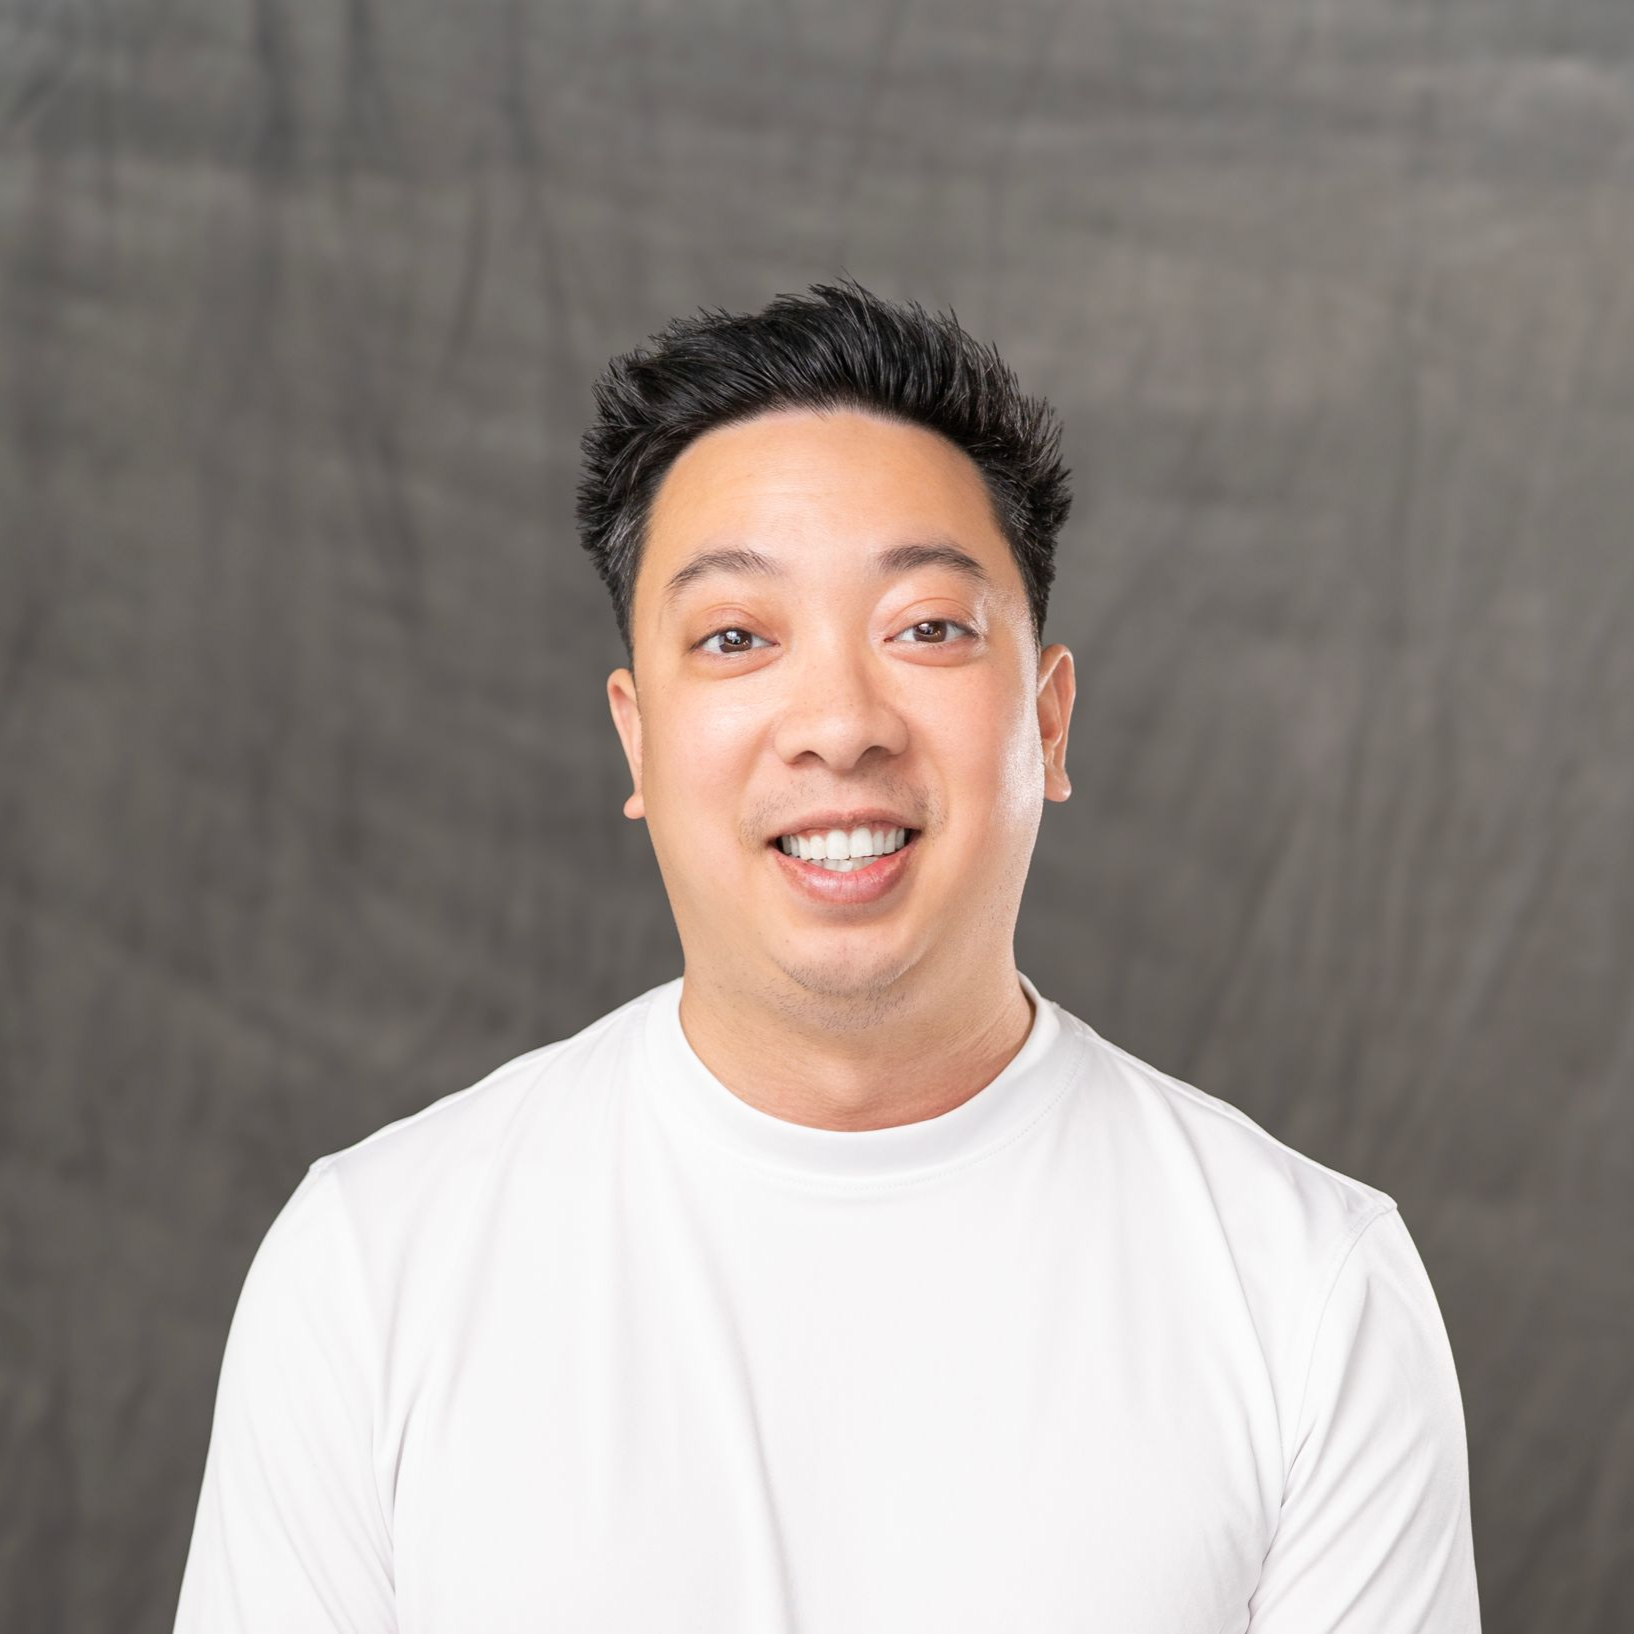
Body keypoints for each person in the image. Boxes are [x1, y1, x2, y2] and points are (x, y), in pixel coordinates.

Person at [172, 276, 1481, 1632]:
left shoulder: (1309, 1292)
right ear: (637, 738)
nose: (839, 723)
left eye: (925, 627)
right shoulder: (371, 1269)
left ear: (1047, 719)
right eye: (736, 637)